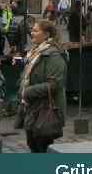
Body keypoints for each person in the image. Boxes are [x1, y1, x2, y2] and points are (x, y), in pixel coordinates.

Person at [19, 20, 68, 153]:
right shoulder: (35, 52)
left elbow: (54, 84)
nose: (31, 33)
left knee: (42, 146)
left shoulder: (54, 55)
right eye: (32, 30)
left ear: (46, 34)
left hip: (46, 109)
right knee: (32, 144)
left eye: (35, 30)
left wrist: (27, 92)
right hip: (33, 107)